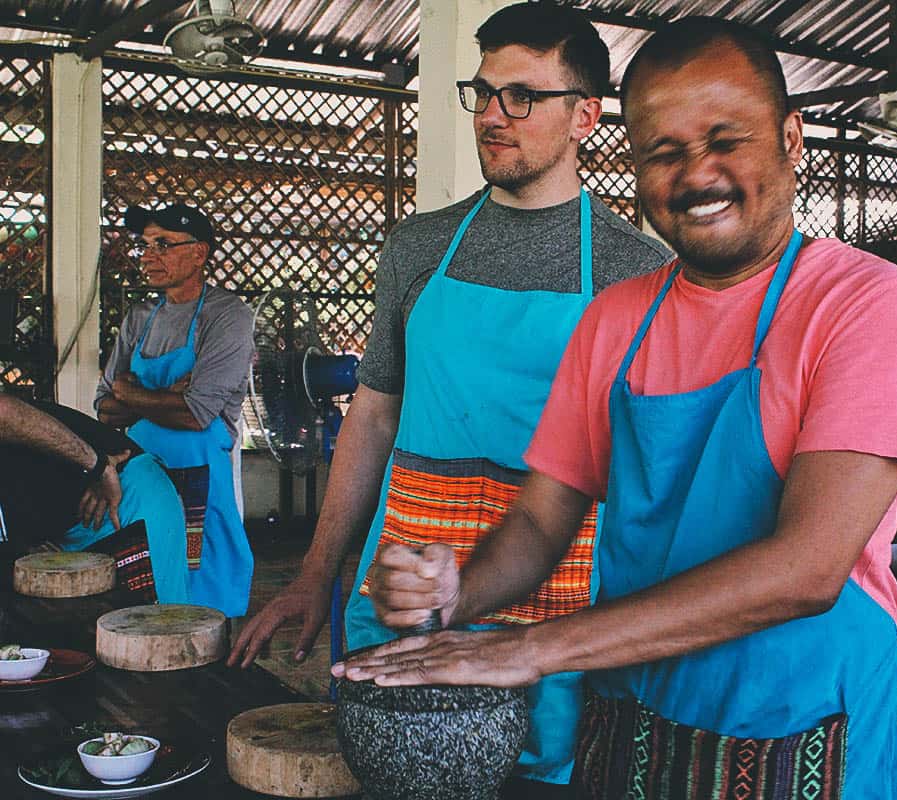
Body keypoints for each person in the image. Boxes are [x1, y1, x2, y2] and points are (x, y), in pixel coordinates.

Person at [334, 17, 897, 800]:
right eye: (664, 150)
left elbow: (806, 570)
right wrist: (455, 591)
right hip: (632, 720)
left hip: (803, 728)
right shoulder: (618, 319)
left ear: (792, 138)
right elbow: (537, 525)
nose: (697, 173)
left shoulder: (870, 304)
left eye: (726, 138)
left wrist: (530, 651)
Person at [229, 4, 670, 797]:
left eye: (522, 96)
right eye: (485, 92)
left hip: (555, 597)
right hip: (404, 594)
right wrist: (314, 574)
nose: (495, 116)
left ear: (586, 116)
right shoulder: (419, 245)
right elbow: (375, 414)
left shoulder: (637, 269)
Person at [96, 202, 255, 618]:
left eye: (163, 244)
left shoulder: (226, 316)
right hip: (139, 471)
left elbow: (195, 415)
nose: (149, 257)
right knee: (144, 589)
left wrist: (130, 391)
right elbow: (104, 411)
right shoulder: (139, 318)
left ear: (199, 252)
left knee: (202, 596)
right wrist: (166, 394)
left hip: (200, 476)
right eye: (145, 246)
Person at [0, 393, 187, 603]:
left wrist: (98, 466)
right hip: (68, 530)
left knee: (155, 624)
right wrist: (24, 547)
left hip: (125, 494)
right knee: (90, 630)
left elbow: (4, 411)